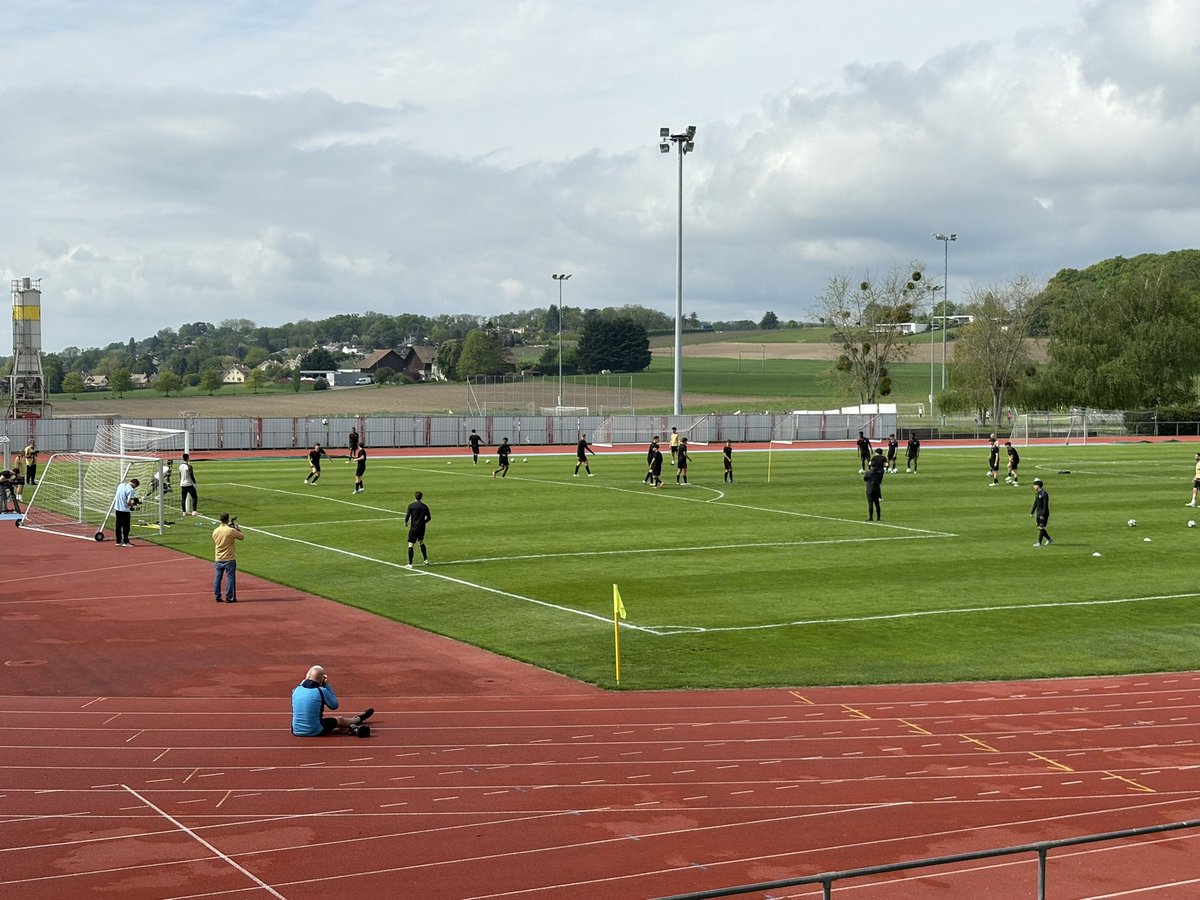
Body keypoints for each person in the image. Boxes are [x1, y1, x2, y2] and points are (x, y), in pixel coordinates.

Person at [290, 665, 374, 737]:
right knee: (339, 720)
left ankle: (352, 723)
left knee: (324, 722)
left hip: (296, 730)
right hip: (315, 730)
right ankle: (358, 719)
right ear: (321, 680)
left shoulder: (296, 689)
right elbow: (334, 705)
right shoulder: (321, 691)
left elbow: (305, 682)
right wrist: (327, 685)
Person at [404, 490, 431, 568]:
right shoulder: (425, 506)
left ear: (414, 497)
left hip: (414, 527)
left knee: (411, 544)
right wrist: (423, 522)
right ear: (421, 497)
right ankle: (425, 560)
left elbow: (407, 515)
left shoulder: (411, 506)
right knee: (421, 542)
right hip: (422, 527)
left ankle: (410, 563)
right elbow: (429, 518)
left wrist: (406, 522)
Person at [113, 477, 140, 547]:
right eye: (135, 486)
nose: (135, 488)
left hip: (117, 508)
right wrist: (133, 505)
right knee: (126, 527)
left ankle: (118, 541)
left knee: (118, 526)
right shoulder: (131, 490)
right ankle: (126, 542)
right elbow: (128, 502)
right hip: (124, 510)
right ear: (134, 484)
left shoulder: (121, 485)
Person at [1030, 477, 1052, 547]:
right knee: (1039, 528)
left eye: (1034, 485)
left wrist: (1043, 515)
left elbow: (1045, 505)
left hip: (1043, 514)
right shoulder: (1038, 493)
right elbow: (1035, 503)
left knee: (1041, 528)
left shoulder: (1044, 494)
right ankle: (1049, 539)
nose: (1033, 487)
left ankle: (1039, 543)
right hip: (1038, 513)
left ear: (1038, 486)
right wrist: (1032, 512)